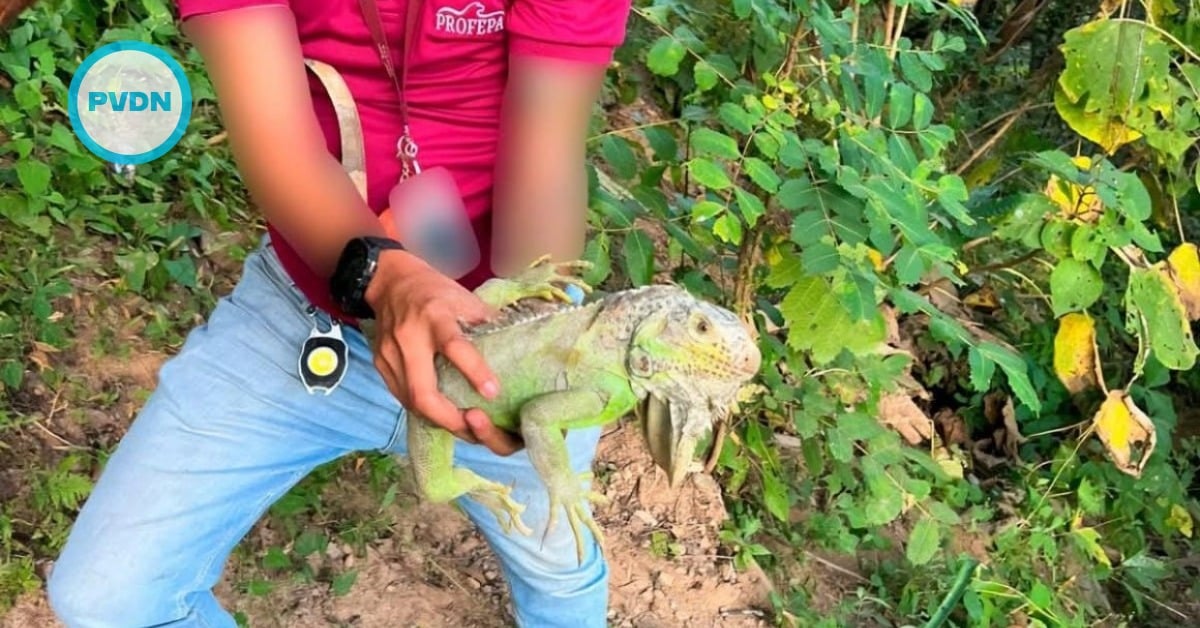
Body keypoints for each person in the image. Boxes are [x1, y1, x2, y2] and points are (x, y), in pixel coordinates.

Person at [46, 0, 632, 626]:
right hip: (304, 315)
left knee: (561, 576)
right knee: (109, 597)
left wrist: (520, 355)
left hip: (507, 341)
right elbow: (275, 134)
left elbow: (546, 156)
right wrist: (388, 279)